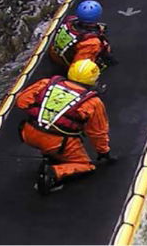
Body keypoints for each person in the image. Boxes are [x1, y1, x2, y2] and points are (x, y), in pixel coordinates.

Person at [15, 59, 116, 195]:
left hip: (27, 132)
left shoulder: (46, 83)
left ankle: (50, 155)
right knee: (86, 166)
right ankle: (54, 173)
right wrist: (103, 152)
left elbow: (21, 101)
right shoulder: (92, 102)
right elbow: (97, 132)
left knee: (49, 143)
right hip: (57, 143)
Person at [49, 0, 118, 70]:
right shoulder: (91, 42)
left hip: (55, 53)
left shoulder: (69, 20)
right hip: (68, 63)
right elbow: (80, 66)